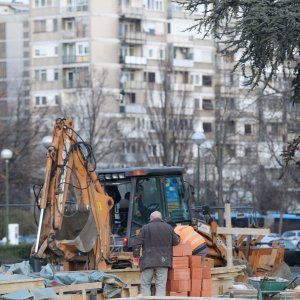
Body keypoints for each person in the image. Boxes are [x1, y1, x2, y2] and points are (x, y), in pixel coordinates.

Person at [133, 211, 179, 296]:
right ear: (160, 218)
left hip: (147, 261)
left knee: (145, 284)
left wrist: (136, 257)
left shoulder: (145, 228)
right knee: (161, 285)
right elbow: (176, 242)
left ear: (151, 218)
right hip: (163, 261)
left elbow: (137, 243)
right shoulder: (168, 227)